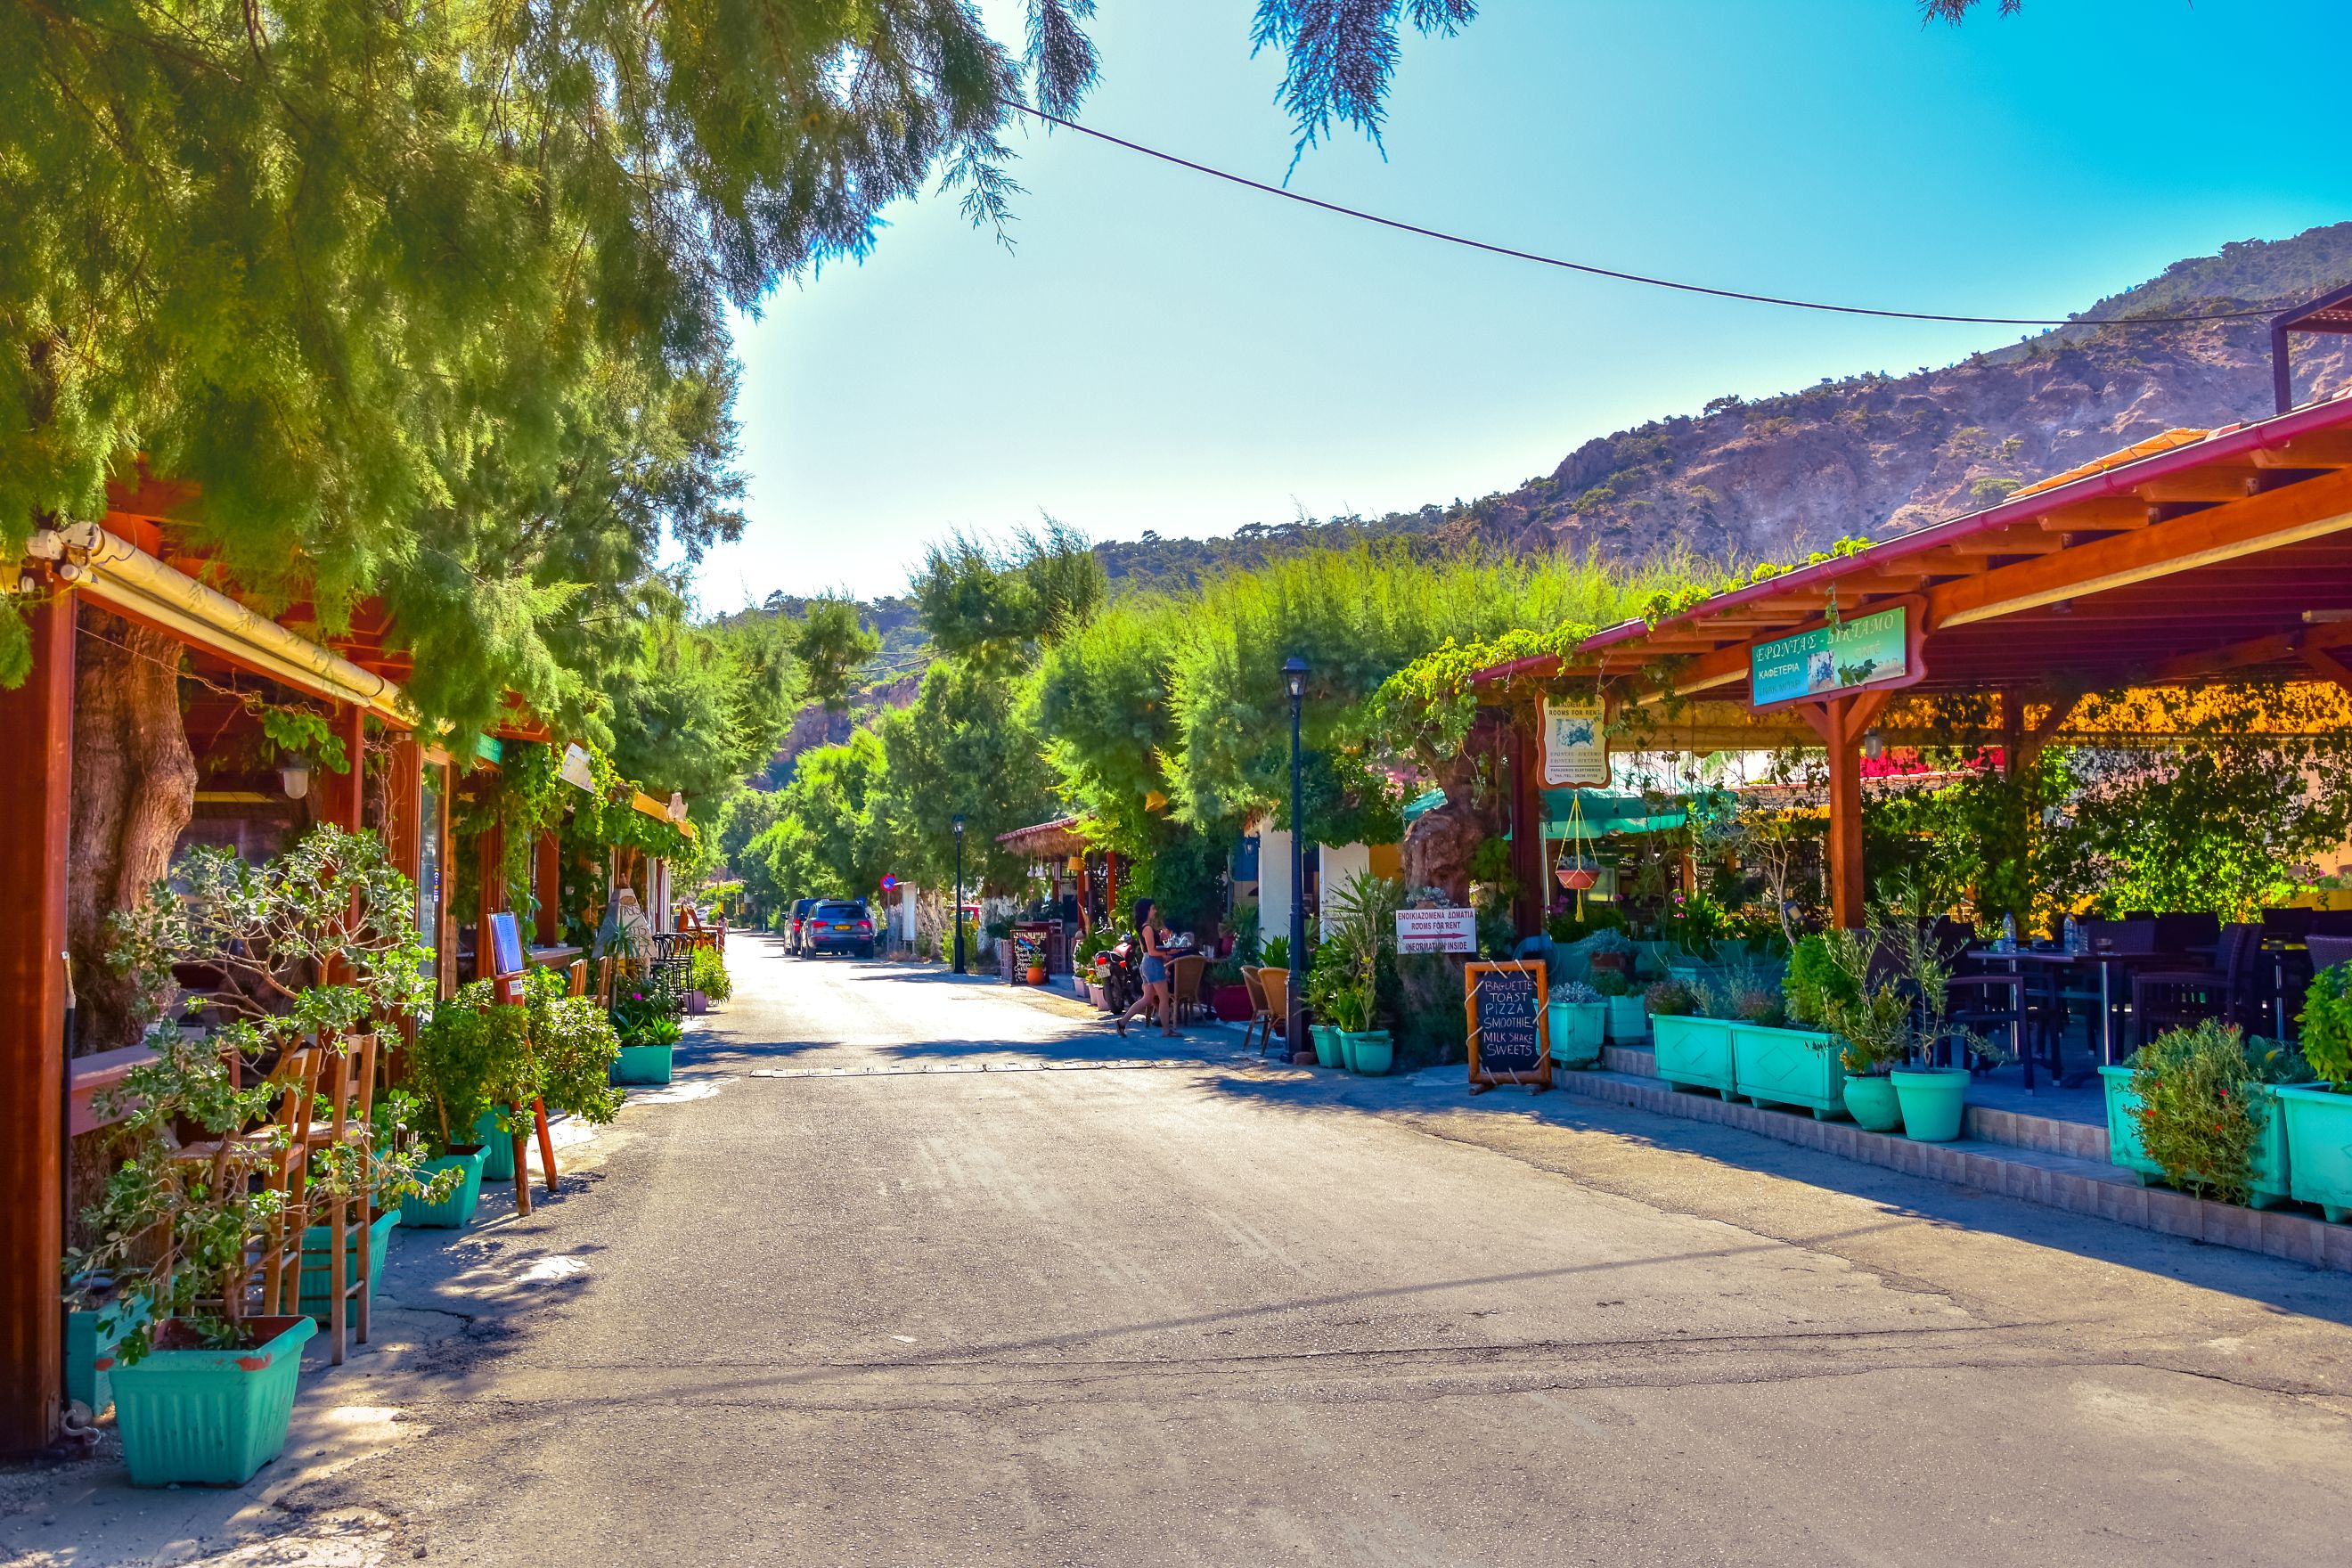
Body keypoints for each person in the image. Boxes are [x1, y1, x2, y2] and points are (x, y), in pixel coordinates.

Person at [1111, 895, 1178, 1039]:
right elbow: (1152, 950)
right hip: (1153, 964)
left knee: (1147, 999)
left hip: (1147, 963)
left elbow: (1145, 951)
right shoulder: (1147, 929)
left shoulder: (1143, 928)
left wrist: (1163, 955)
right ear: (1147, 911)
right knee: (1164, 997)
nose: (1155, 911)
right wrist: (1167, 952)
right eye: (1153, 909)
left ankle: (1122, 1022)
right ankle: (1167, 1030)